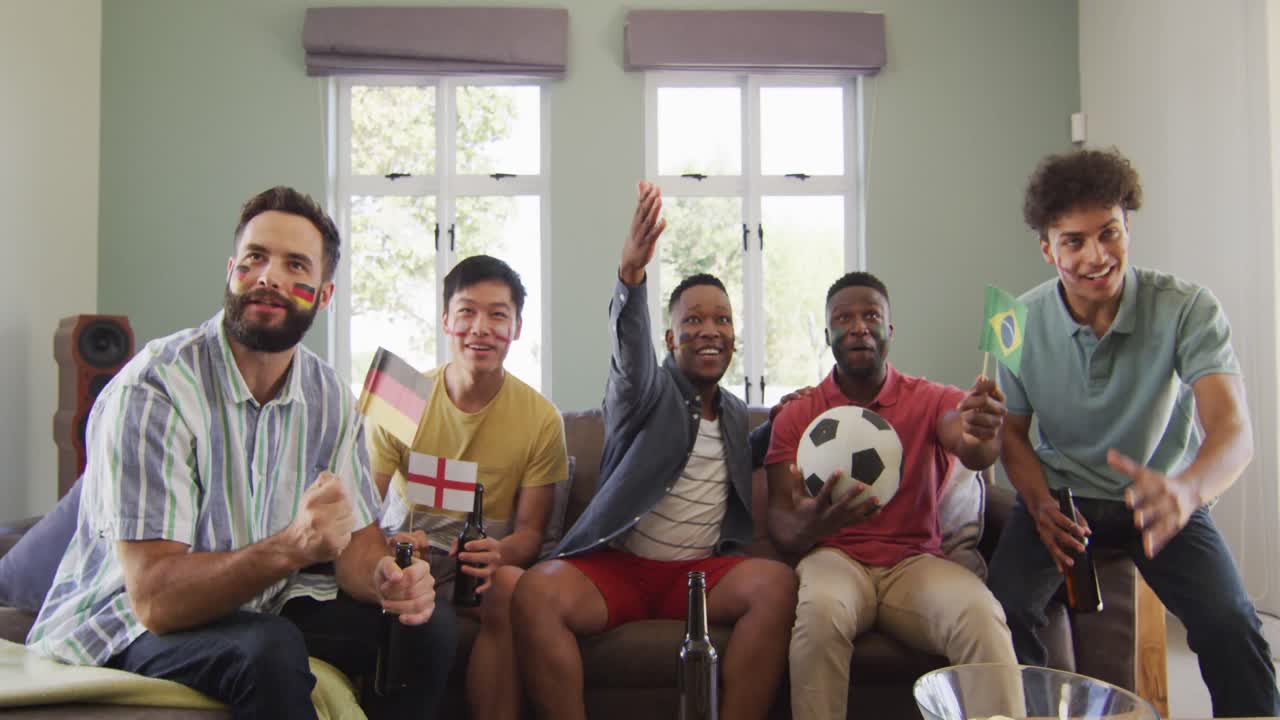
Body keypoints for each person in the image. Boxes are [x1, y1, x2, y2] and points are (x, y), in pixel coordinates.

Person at [27, 186, 457, 719]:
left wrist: (386, 578)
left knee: (427, 628)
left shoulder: (327, 396)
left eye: (294, 264)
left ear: (323, 295)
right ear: (232, 272)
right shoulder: (155, 389)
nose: (268, 276)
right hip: (129, 620)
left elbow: (357, 547)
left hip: (262, 601)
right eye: (255, 257)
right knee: (268, 649)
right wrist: (292, 547)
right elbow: (156, 599)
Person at [986, 148, 1280, 717]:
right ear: (1047, 249)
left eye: (1109, 233)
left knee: (1232, 624)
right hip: (1060, 499)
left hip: (1162, 496)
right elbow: (1013, 436)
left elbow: (1234, 430)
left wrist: (1188, 491)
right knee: (1003, 611)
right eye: (1074, 241)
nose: (1096, 256)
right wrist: (1038, 502)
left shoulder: (1188, 307)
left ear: (1128, 229)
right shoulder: (1013, 320)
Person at [511, 181, 797, 720]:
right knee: (534, 594)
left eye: (722, 319)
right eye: (693, 320)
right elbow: (631, 353)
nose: (709, 330)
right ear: (670, 338)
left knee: (778, 584)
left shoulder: (735, 412)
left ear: (734, 336)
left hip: (701, 578)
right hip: (620, 569)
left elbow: (732, 456)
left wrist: (783, 420)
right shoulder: (643, 391)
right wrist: (631, 277)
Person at [765, 271, 1018, 720]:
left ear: (890, 330)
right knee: (820, 614)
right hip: (834, 559)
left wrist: (981, 431)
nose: (858, 327)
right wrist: (814, 522)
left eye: (871, 316)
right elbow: (782, 524)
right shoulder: (798, 414)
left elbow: (972, 448)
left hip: (915, 564)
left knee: (982, 615)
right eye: (843, 318)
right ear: (827, 335)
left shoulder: (932, 399)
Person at [368, 254, 568, 720]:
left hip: (479, 573)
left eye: (498, 315)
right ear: (445, 321)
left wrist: (500, 553)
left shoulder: (542, 418)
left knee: (512, 585)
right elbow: (362, 512)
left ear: (516, 328)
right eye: (466, 312)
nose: (481, 328)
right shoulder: (400, 393)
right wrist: (390, 544)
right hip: (408, 559)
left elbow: (530, 534)